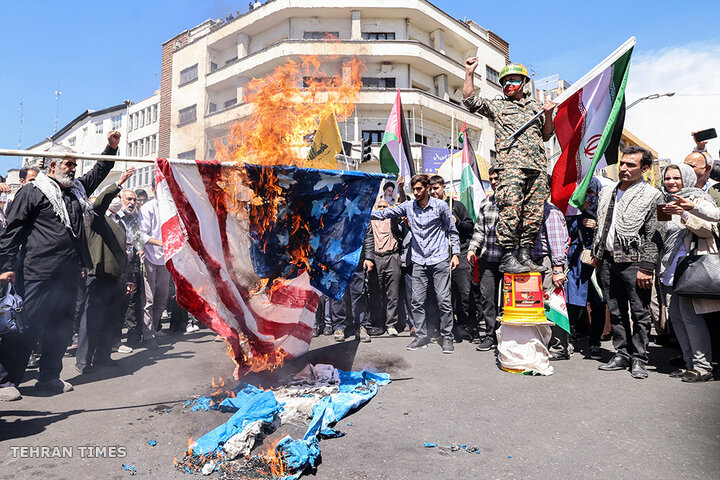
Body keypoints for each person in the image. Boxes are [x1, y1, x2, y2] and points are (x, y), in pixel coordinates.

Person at [0, 131, 119, 398]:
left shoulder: (75, 191)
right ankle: (5, 381)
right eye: (68, 164)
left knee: (60, 329)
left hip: (68, 274)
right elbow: (12, 232)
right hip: (37, 273)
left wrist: (111, 149)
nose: (74, 169)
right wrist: (6, 266)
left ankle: (50, 378)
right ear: (52, 165)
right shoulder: (32, 192)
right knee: (26, 326)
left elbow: (98, 173)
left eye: (75, 164)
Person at [463, 58, 556, 274]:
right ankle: (507, 257)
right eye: (504, 82)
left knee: (533, 213)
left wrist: (549, 113)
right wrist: (469, 72)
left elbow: (547, 134)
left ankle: (524, 255)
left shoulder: (536, 107)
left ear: (524, 82)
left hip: (537, 167)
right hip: (511, 166)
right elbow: (469, 100)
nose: (508, 85)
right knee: (511, 209)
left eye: (513, 81)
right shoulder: (499, 105)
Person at [590, 146, 663, 379]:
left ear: (644, 168)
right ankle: (621, 353)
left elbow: (657, 234)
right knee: (616, 310)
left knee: (640, 313)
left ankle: (639, 358)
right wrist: (597, 252)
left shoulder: (654, 195)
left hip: (635, 263)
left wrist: (646, 267)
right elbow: (602, 225)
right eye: (622, 163)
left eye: (631, 165)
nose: (623, 168)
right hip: (609, 260)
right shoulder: (608, 191)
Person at [371, 174, 460, 354]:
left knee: (443, 300)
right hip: (418, 259)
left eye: (419, 189)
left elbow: (452, 230)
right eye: (415, 189)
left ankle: (447, 337)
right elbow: (385, 213)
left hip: (440, 258)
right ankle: (420, 336)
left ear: (427, 188)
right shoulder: (408, 206)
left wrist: (456, 254)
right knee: (417, 301)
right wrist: (361, 212)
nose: (417, 192)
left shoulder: (441, 206)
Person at [657, 164, 720, 382]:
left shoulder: (699, 199)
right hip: (670, 267)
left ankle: (703, 367)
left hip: (693, 266)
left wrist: (684, 212)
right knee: (676, 318)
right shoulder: (665, 200)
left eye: (677, 178)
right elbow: (663, 234)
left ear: (687, 179)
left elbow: (708, 228)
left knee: (691, 318)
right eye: (667, 178)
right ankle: (689, 363)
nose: (672, 182)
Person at [76, 169, 136, 374]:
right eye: (117, 197)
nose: (118, 200)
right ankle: (83, 361)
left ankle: (103, 356)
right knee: (91, 319)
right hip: (98, 276)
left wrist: (128, 278)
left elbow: (123, 253)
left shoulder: (121, 224)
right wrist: (118, 184)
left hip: (116, 279)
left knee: (110, 321)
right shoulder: (97, 219)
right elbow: (100, 204)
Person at [428, 175, 475, 341]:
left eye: (436, 188)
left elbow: (470, 227)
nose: (433, 192)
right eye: (431, 189)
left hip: (460, 253)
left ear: (443, 188)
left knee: (464, 292)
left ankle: (467, 326)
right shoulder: (429, 208)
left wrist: (457, 221)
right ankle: (446, 328)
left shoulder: (457, 206)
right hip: (439, 256)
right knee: (442, 294)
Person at [564, 178, 606, 360]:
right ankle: (569, 338)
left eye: (591, 193)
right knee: (573, 302)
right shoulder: (572, 211)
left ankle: (595, 342)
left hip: (598, 261)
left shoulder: (604, 211)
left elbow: (612, 232)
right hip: (577, 261)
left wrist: (598, 226)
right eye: (584, 193)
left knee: (598, 303)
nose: (588, 197)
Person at [467, 168, 502, 351]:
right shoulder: (486, 203)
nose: (494, 181)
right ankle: (490, 335)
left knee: (507, 300)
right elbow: (479, 230)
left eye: (497, 178)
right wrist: (472, 249)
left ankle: (505, 335)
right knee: (487, 298)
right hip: (488, 257)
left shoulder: (514, 202)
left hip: (509, 259)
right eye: (492, 179)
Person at [530, 200, 570, 360]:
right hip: (536, 262)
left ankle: (559, 348)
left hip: (549, 262)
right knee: (540, 305)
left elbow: (556, 242)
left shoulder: (550, 211)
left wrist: (557, 269)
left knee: (552, 304)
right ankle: (546, 343)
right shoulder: (533, 209)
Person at [363, 199, 404, 337]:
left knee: (393, 294)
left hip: (392, 256)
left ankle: (391, 324)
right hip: (376, 258)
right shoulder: (370, 219)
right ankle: (377, 324)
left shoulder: (392, 218)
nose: (381, 209)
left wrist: (401, 190)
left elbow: (402, 205)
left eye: (384, 207)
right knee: (375, 293)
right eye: (379, 206)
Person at [139, 183, 170, 349]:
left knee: (162, 299)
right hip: (150, 259)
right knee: (149, 300)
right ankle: (147, 335)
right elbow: (142, 234)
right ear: (153, 190)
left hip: (166, 260)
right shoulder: (147, 208)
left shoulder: (170, 208)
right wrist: (161, 243)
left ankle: (154, 329)